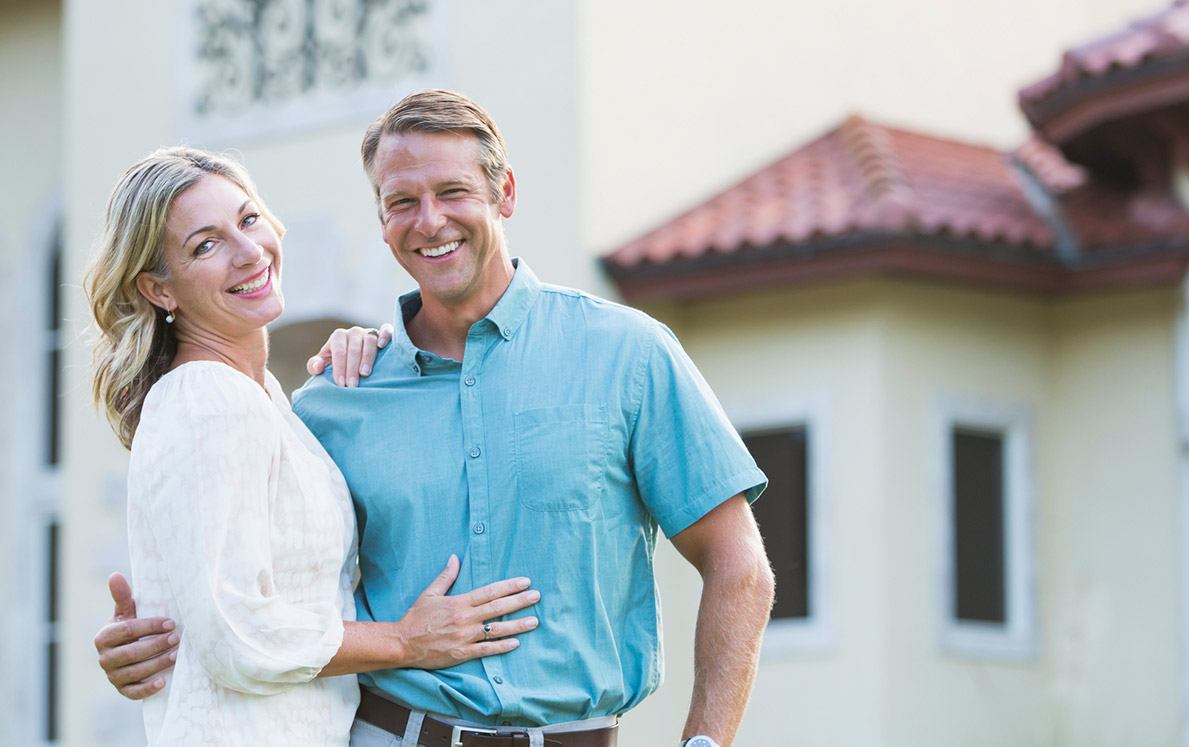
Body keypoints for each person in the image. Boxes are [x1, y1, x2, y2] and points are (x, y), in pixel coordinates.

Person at [96, 90, 776, 747]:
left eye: (452, 192)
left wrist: (705, 740)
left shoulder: (628, 355)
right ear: (382, 216)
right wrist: (164, 641)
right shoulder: (332, 399)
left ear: (504, 193)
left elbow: (737, 563)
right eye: (401, 202)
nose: (428, 221)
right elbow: (248, 600)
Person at [85, 147, 541, 746]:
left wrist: (378, 355)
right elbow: (236, 633)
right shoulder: (207, 397)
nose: (249, 253)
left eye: (248, 220)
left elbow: (233, 605)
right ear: (159, 290)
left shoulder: (268, 400)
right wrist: (407, 640)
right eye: (205, 245)